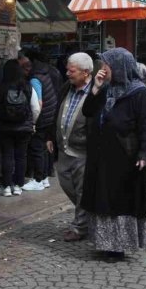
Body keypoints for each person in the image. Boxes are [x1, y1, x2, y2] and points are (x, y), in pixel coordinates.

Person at [80, 48, 146, 258]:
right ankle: (105, 243)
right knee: (103, 200)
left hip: (125, 156)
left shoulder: (139, 93)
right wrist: (95, 88)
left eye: (107, 65)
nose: (103, 69)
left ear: (119, 67)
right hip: (102, 155)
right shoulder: (105, 89)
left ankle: (118, 246)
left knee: (120, 201)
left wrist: (144, 154)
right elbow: (88, 111)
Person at [49, 53, 94, 242]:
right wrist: (51, 136)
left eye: (71, 70)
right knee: (66, 183)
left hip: (84, 151)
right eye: (67, 69)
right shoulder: (66, 87)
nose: (67, 73)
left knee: (82, 189)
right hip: (64, 148)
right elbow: (56, 111)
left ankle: (80, 227)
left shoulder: (96, 91)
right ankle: (90, 214)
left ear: (85, 73)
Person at [0, 59, 40, 196]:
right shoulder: (27, 86)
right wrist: (32, 123)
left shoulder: (0, 87)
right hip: (24, 128)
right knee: (21, 156)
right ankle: (18, 186)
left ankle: (6, 186)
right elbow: (36, 108)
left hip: (5, 128)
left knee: (6, 155)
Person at [22, 55, 57, 191]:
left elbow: (38, 103)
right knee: (44, 148)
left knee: (37, 148)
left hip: (42, 118)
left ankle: (38, 180)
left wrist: (33, 123)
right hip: (50, 117)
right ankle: (44, 178)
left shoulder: (34, 79)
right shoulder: (45, 74)